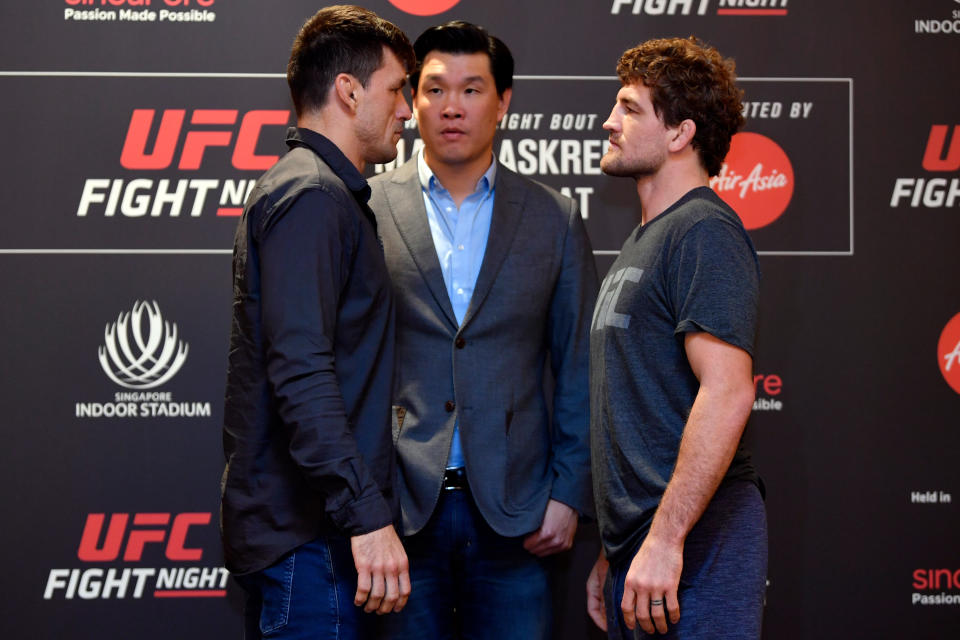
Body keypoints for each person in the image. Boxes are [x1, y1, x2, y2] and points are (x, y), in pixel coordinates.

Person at [368, 21, 598, 640]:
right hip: (398, 512)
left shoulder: (553, 216)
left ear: (504, 102)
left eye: (472, 90)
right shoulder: (363, 206)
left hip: (519, 514)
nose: (451, 107)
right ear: (411, 99)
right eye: (435, 89)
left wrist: (569, 492)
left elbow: (579, 363)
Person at [220, 6, 415, 638]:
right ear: (348, 90)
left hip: (312, 536)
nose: (408, 110)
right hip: (313, 541)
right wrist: (365, 515)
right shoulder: (313, 197)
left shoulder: (320, 193)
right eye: (397, 90)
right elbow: (301, 371)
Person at [586, 37, 767, 639]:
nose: (609, 123)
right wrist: (616, 550)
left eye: (630, 109)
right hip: (646, 547)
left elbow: (729, 392)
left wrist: (665, 540)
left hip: (698, 543)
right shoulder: (647, 238)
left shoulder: (703, 230)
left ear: (680, 134)